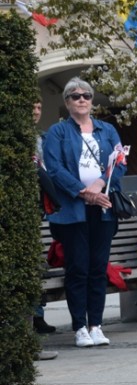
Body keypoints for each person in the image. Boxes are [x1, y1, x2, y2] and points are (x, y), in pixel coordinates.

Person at [43, 78, 126, 348]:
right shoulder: (57, 132)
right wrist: (82, 191)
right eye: (75, 96)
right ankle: (79, 327)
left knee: (97, 267)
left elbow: (119, 162)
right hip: (72, 210)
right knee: (77, 268)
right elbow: (54, 169)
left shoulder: (107, 130)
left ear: (92, 101)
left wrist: (101, 184)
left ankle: (96, 325)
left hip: (102, 209)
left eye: (87, 95)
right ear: (67, 102)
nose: (82, 99)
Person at [32, 100, 58, 360]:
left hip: (39, 209)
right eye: (31, 106)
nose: (36, 110)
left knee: (38, 267)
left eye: (40, 106)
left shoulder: (42, 137)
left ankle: (37, 318)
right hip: (25, 209)